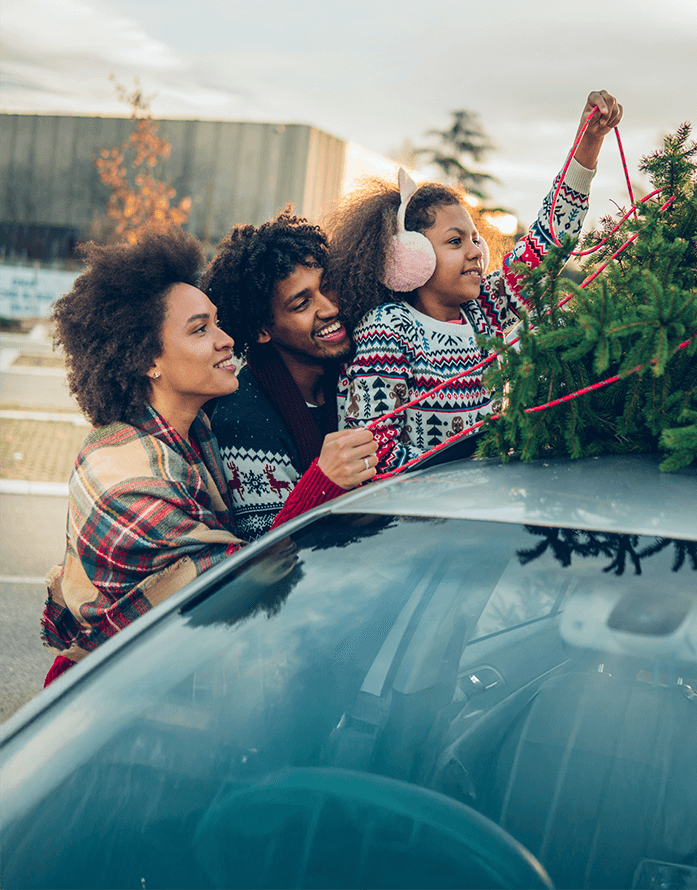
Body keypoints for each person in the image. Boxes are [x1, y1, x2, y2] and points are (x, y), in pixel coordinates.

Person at [40, 230, 378, 685]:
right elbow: (230, 591)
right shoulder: (122, 473)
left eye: (217, 323)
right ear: (147, 359)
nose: (226, 340)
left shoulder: (194, 435)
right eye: (200, 330)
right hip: (112, 708)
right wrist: (321, 482)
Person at [330, 90, 623, 471]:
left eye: (475, 239)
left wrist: (589, 143)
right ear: (410, 257)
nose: (475, 252)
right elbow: (376, 457)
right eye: (455, 241)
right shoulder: (388, 331)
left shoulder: (484, 310)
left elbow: (549, 241)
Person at [201, 208, 383, 541]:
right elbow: (267, 557)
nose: (329, 308)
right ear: (261, 331)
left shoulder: (362, 373)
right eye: (302, 304)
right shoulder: (242, 422)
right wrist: (323, 483)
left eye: (327, 288)